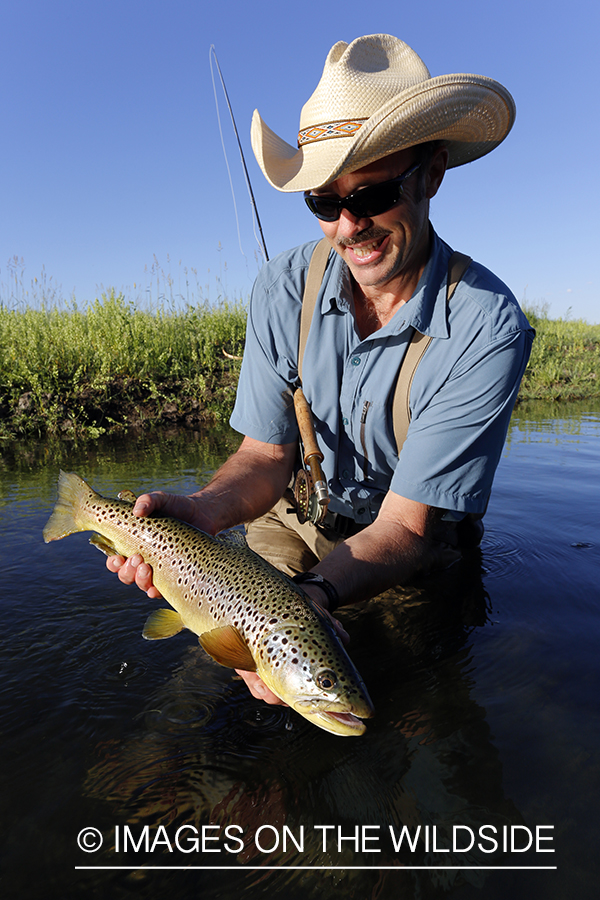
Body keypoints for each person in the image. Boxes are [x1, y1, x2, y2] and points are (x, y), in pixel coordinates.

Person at [108, 35, 534, 704]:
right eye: (322, 202)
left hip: (407, 551)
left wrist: (302, 608)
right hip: (289, 526)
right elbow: (262, 457)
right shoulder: (283, 288)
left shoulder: (485, 326)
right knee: (210, 687)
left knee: (408, 705)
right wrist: (200, 511)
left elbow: (407, 529)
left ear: (431, 175)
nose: (347, 227)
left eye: (371, 195)